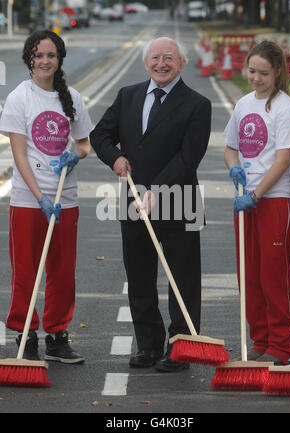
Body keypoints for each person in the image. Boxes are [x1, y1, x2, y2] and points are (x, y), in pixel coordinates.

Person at [90, 37, 211, 372]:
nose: (162, 64)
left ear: (182, 64)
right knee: (140, 275)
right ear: (146, 63)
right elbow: (100, 135)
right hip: (133, 196)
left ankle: (181, 346)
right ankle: (147, 345)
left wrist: (158, 189)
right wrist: (115, 158)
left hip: (179, 198)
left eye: (169, 58)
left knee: (181, 278)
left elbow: (190, 157)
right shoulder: (128, 96)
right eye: (155, 57)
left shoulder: (197, 104)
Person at [0, 30, 92, 363]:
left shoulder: (73, 98)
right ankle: (26, 334)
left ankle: (58, 336)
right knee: (26, 271)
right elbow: (19, 155)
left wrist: (77, 155)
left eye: (50, 55)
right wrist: (39, 196)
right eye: (38, 55)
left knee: (62, 271)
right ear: (29, 59)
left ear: (59, 59)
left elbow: (84, 143)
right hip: (29, 201)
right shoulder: (19, 98)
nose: (44, 61)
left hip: (66, 199)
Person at [224, 40, 290, 365]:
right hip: (245, 201)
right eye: (251, 71)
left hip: (274, 200)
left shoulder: (284, 107)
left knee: (274, 273)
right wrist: (233, 168)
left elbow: (283, 159)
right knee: (249, 274)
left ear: (278, 72)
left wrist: (256, 194)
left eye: (263, 73)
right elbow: (230, 148)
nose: (255, 78)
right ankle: (261, 339)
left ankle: (283, 344)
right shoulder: (243, 104)